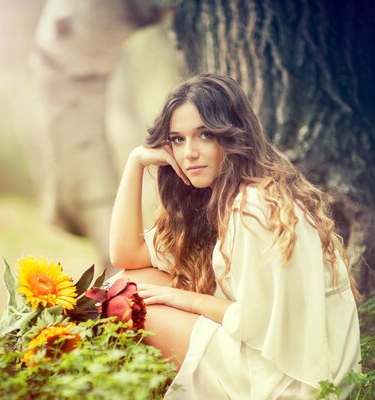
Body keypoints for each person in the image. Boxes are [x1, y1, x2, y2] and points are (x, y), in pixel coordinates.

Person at [108, 73, 362, 399]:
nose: (189, 153)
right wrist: (136, 162)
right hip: (273, 360)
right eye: (177, 139)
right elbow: (126, 255)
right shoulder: (218, 199)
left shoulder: (256, 205)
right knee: (129, 282)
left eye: (205, 134)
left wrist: (183, 298)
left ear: (233, 135)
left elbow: (258, 322)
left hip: (290, 380)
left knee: (131, 300)